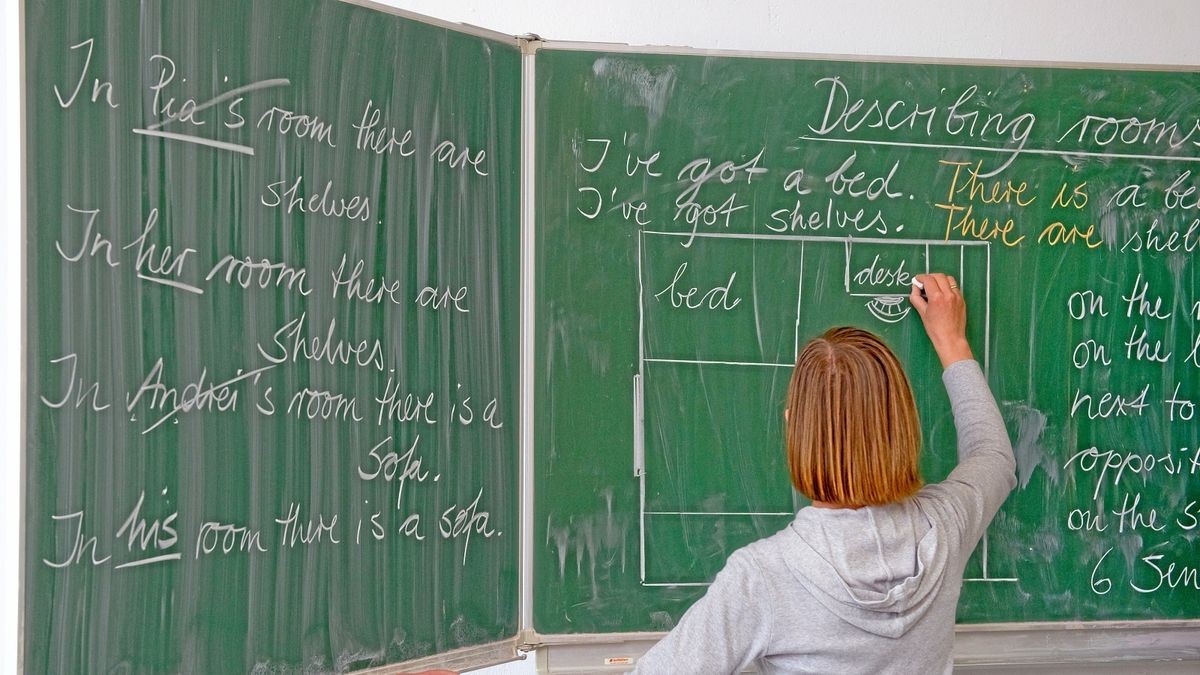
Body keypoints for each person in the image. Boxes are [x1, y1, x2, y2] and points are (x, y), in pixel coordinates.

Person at [630, 273, 1017, 674]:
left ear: (792, 425)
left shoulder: (763, 578)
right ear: (902, 425)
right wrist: (952, 342)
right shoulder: (945, 526)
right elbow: (993, 456)